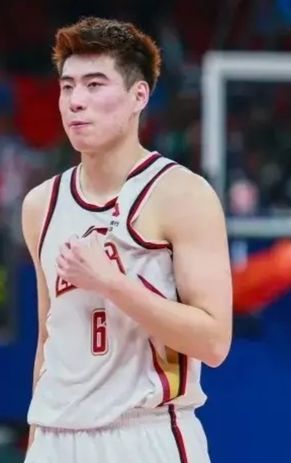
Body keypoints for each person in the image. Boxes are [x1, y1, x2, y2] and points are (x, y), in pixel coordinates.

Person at [21, 17, 232, 463]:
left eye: (95, 85)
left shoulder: (182, 195)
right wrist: (37, 436)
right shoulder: (41, 204)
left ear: (139, 96)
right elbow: (47, 339)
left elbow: (214, 342)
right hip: (55, 437)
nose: (76, 101)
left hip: (145, 434)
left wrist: (113, 284)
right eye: (67, 86)